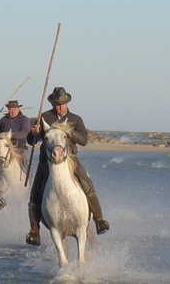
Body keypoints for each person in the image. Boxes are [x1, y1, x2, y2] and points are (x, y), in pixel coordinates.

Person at [25, 86, 109, 246]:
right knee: (35, 193)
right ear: (53, 103)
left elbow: (84, 140)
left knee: (87, 185)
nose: (60, 106)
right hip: (47, 161)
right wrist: (34, 133)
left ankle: (99, 219)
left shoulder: (75, 119)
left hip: (71, 160)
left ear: (67, 102)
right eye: (57, 104)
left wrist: (68, 132)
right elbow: (31, 142)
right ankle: (34, 230)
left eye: (62, 103)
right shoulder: (44, 117)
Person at [0, 99, 31, 177]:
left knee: (27, 162)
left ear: (19, 109)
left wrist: (12, 135)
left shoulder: (24, 119)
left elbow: (25, 133)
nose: (13, 111)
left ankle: (29, 181)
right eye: (11, 109)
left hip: (19, 147)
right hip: (3, 147)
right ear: (8, 110)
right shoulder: (3, 120)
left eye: (15, 109)